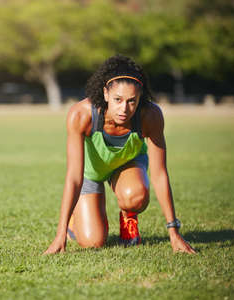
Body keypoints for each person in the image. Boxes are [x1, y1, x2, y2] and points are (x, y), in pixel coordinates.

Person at [44, 55, 196, 254]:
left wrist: (173, 232)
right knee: (92, 242)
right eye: (118, 99)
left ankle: (128, 218)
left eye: (132, 101)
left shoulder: (150, 116)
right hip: (92, 173)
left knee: (135, 196)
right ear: (106, 94)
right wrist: (60, 234)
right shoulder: (81, 114)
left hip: (128, 166)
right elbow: (74, 176)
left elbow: (159, 175)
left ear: (140, 97)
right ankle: (76, 219)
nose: (124, 109)